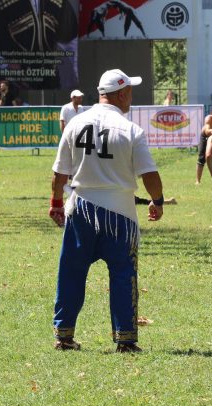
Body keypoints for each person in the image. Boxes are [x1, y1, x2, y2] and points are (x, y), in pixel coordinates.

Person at [50, 69, 164, 353]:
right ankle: (125, 340)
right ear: (122, 93)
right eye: (131, 92)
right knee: (123, 275)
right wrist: (157, 200)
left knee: (71, 273)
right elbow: (149, 174)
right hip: (120, 214)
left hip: (81, 209)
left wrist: (54, 203)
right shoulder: (130, 130)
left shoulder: (75, 124)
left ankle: (64, 335)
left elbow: (59, 174)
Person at [196, 106, 212, 185]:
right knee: (201, 158)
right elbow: (206, 131)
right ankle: (198, 181)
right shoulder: (208, 119)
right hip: (205, 137)